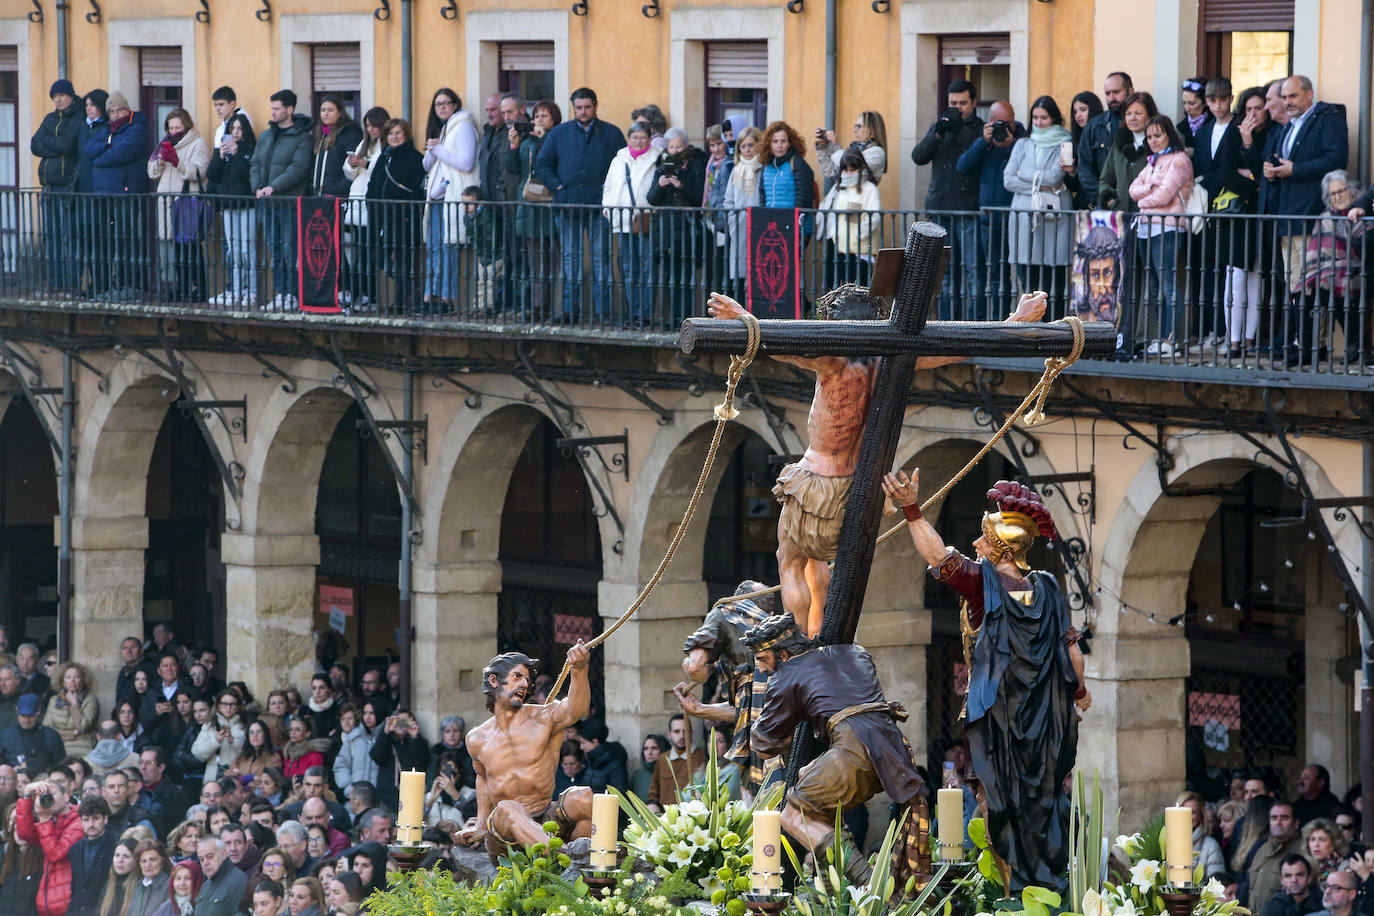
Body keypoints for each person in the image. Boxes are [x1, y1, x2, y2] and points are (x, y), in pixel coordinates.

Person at [705, 286, 1045, 633]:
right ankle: (819, 631)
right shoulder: (894, 358)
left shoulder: (831, 361)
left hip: (817, 481)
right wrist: (1014, 320)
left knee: (789, 558)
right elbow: (959, 346)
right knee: (818, 560)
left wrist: (743, 318)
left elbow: (779, 346)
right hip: (859, 488)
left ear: (834, 327)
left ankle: (798, 641)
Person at [882, 473, 1085, 892]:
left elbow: (938, 555)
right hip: (1044, 723)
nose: (976, 545)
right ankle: (1043, 884)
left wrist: (911, 509)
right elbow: (1073, 655)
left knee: (996, 802)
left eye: (984, 539)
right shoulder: (1048, 589)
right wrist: (1080, 695)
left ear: (1003, 548)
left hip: (999, 721)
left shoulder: (983, 585)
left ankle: (1008, 889)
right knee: (1039, 805)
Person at [744, 613, 927, 888]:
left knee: (792, 816)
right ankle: (829, 891)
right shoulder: (856, 652)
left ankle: (874, 889)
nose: (762, 668)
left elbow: (763, 742)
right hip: (892, 749)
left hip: (853, 750)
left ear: (782, 653)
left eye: (762, 659)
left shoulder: (785, 676)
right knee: (809, 780)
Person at [453, 645, 594, 861]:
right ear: (494, 681)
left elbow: (577, 709)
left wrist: (580, 669)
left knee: (583, 797)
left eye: (526, 679)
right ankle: (563, 859)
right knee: (509, 808)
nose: (524, 684)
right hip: (505, 834)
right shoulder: (476, 738)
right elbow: (483, 778)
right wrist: (481, 825)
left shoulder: (544, 718)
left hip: (545, 817)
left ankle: (579, 863)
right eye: (517, 676)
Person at [1260, 76, 1349, 367]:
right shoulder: (1288, 125)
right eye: (1284, 97)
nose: (1288, 102)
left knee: (1312, 285)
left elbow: (1337, 159)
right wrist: (1272, 169)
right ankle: (1306, 342)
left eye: (1293, 96)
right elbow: (1284, 162)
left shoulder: (1327, 118)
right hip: (1288, 215)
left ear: (1309, 94)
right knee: (1296, 285)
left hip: (1312, 214)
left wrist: (1294, 169)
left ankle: (1315, 345)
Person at [533, 87, 626, 324]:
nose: (583, 112)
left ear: (595, 105)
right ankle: (568, 312)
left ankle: (603, 314)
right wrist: (557, 186)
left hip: (600, 208)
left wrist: (608, 191)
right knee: (570, 261)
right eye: (578, 108)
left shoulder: (611, 133)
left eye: (587, 107)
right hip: (566, 206)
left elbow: (622, 168)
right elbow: (542, 164)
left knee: (601, 261)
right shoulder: (559, 133)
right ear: (573, 108)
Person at [1197, 80, 1266, 357]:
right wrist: (1254, 183)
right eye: (1249, 109)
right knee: (1235, 274)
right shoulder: (1234, 133)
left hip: (1258, 213)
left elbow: (1262, 171)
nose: (1253, 114)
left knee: (1256, 276)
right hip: (1233, 214)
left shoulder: (1268, 133)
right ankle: (1234, 339)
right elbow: (1226, 172)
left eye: (1258, 108)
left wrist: (1253, 176)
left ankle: (1248, 339)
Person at [911, 79, 983, 318]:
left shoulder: (979, 129)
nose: (958, 108)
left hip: (967, 211)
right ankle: (947, 324)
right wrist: (939, 132)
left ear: (974, 103)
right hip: (940, 210)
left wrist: (958, 127)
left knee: (973, 272)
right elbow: (918, 156)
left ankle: (975, 328)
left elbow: (973, 156)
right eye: (953, 103)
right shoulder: (939, 127)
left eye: (963, 103)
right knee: (946, 273)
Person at [1129, 115, 1194, 357]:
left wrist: (1144, 201)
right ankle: (1160, 337)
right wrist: (1149, 189)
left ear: (1169, 135)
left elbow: (1166, 194)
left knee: (1168, 284)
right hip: (1147, 227)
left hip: (1167, 227)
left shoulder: (1179, 160)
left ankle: (1171, 340)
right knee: (1155, 285)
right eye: (1150, 137)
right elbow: (1132, 188)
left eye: (1158, 135)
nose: (1153, 141)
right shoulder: (1153, 161)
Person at [1004, 95, 1074, 314]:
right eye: (1035, 117)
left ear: (1054, 119)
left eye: (1044, 117)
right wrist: (1039, 186)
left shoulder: (1065, 142)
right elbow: (1008, 180)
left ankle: (1056, 324)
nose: (1039, 122)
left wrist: (1023, 174)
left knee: (1054, 271)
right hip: (1025, 215)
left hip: (1054, 215)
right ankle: (1032, 321)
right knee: (1029, 274)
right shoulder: (1022, 143)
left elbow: (1055, 178)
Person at [957, 99, 1023, 318]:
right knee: (993, 273)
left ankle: (1007, 320)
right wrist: (983, 142)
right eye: (999, 123)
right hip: (988, 220)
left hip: (1014, 218)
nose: (1005, 127)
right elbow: (962, 167)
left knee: (1017, 272)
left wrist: (1011, 145)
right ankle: (992, 323)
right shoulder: (985, 142)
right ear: (990, 122)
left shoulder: (1022, 140)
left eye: (1009, 121)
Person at [251, 89, 314, 311]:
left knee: (291, 251)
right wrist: (258, 187)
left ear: (290, 110)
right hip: (267, 203)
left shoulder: (302, 137)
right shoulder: (267, 136)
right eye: (272, 108)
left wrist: (274, 187)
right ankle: (281, 292)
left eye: (277, 108)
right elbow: (256, 164)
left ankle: (294, 295)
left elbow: (298, 169)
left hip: (290, 204)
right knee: (274, 251)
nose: (273, 112)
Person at [87, 90, 151, 303]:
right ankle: (111, 286)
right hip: (104, 195)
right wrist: (106, 146)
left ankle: (131, 286)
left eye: (119, 110)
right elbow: (87, 148)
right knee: (107, 242)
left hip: (126, 193)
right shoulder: (105, 130)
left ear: (127, 109)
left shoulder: (137, 128)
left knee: (127, 240)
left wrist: (99, 158)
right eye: (111, 111)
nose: (115, 115)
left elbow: (122, 152)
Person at [420, 88, 479, 313]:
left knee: (448, 249)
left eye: (446, 103)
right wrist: (432, 151)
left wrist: (439, 149)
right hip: (437, 200)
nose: (442, 107)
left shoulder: (463, 126)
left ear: (455, 104)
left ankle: (445, 298)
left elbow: (466, 162)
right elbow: (428, 166)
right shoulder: (445, 130)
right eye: (438, 104)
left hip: (453, 198)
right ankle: (429, 295)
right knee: (434, 248)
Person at [146, 107, 209, 302]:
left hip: (187, 202)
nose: (174, 131)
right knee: (174, 249)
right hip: (167, 201)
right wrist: (161, 161)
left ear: (186, 125)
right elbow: (151, 172)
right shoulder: (163, 144)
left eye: (177, 127)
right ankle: (180, 287)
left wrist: (177, 161)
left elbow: (198, 173)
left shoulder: (198, 143)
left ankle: (199, 289)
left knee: (190, 247)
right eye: (171, 127)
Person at [505, 99, 561, 321]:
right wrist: (514, 146)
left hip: (549, 204)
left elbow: (547, 164)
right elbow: (513, 168)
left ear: (554, 119)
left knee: (553, 261)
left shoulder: (555, 139)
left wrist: (543, 139)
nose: (538, 119)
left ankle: (553, 306)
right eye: (536, 115)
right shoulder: (528, 141)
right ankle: (538, 306)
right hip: (529, 203)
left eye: (544, 116)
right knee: (535, 261)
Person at [601, 121, 661, 326]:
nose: (638, 141)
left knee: (646, 268)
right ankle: (633, 314)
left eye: (642, 137)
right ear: (629, 138)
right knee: (628, 269)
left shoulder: (657, 158)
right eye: (634, 137)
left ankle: (645, 315)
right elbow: (608, 187)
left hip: (644, 220)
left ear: (649, 139)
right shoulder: (619, 159)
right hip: (622, 221)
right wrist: (608, 210)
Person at [646, 126, 707, 324]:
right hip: (665, 231)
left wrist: (681, 185)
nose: (674, 150)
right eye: (671, 146)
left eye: (678, 146)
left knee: (685, 278)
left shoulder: (697, 163)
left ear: (686, 146)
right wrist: (660, 185)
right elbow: (652, 199)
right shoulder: (662, 164)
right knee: (669, 278)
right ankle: (671, 319)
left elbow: (699, 198)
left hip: (688, 231)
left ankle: (685, 318)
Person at [364, 117, 425, 313]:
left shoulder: (415, 157)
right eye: (390, 133)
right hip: (381, 216)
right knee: (375, 251)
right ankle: (409, 289)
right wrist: (370, 201)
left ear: (405, 135)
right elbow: (374, 183)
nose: (394, 137)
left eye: (398, 133)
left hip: (404, 216)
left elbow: (417, 188)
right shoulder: (384, 156)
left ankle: (400, 302)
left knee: (403, 259)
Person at [31, 78, 85, 292]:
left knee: (69, 236)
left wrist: (51, 144)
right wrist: (56, 147)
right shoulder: (50, 118)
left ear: (71, 96)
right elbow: (34, 144)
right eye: (54, 96)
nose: (58, 100)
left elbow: (68, 145)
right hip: (48, 187)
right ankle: (55, 282)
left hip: (66, 187)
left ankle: (72, 282)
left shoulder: (79, 117)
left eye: (61, 95)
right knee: (51, 236)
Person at [340, 106, 389, 312]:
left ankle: (371, 295)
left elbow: (382, 169)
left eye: (374, 126)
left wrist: (366, 164)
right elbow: (348, 172)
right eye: (367, 126)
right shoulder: (365, 143)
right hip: (356, 202)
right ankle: (358, 293)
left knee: (368, 256)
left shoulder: (385, 145)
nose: (371, 130)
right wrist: (353, 164)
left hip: (370, 207)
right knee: (354, 254)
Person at [206, 113, 257, 307]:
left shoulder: (250, 150)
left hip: (246, 205)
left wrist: (236, 155)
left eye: (239, 129)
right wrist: (219, 156)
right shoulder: (224, 150)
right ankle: (235, 289)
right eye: (233, 128)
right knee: (234, 251)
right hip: (228, 205)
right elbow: (212, 175)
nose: (235, 132)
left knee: (248, 249)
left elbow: (246, 175)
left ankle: (251, 290)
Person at [16, 776, 84, 916]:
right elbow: (25, 833)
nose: (47, 799)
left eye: (52, 794)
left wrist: (44, 819)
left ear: (66, 797)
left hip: (68, 906)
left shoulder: (79, 821)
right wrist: (27, 795)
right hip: (46, 906)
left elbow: (56, 854)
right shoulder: (51, 823)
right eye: (42, 796)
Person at [815, 150, 882, 290]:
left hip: (861, 248)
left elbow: (874, 217)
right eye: (846, 169)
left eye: (853, 169)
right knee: (839, 288)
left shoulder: (870, 189)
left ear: (861, 168)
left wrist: (858, 235)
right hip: (840, 245)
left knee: (859, 288)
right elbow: (836, 215)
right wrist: (834, 234)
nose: (849, 172)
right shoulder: (841, 188)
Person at [74, 88, 110, 297]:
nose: (89, 109)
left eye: (93, 105)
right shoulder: (83, 128)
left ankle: (101, 283)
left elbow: (90, 151)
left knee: (100, 240)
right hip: (84, 189)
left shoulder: (104, 128)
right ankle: (89, 283)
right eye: (87, 105)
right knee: (86, 240)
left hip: (98, 189)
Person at [1078, 71, 1133, 203]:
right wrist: (1103, 196)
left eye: (1116, 92)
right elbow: (1084, 166)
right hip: (1103, 203)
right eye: (1107, 94)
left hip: (1137, 203)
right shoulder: (1094, 125)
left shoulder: (1145, 122)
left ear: (1130, 91)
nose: (1111, 98)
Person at [721, 126, 763, 297]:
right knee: (740, 272)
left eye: (751, 145)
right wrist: (732, 221)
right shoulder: (735, 170)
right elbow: (728, 200)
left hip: (758, 226)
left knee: (757, 272)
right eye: (743, 146)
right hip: (738, 228)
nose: (747, 150)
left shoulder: (762, 168)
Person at [1247, 802, 1307, 909]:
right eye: (1274, 818)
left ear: (1296, 823)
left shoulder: (1304, 850)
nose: (1278, 822)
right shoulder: (1262, 849)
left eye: (1284, 818)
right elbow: (1249, 888)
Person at [368, 707, 428, 811]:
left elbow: (419, 763)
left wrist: (414, 737)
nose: (401, 724)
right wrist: (386, 732)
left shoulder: (418, 741)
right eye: (398, 721)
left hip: (410, 793)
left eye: (405, 721)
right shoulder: (386, 739)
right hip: (387, 795)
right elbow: (376, 756)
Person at [68, 795, 116, 916]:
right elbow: (75, 890)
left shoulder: (115, 847)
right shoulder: (75, 850)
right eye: (86, 819)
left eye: (96, 818)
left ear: (105, 819)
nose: (91, 824)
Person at [646, 713, 703, 813]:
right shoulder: (663, 759)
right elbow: (653, 793)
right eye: (676, 731)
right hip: (665, 818)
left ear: (691, 733)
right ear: (669, 734)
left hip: (690, 818)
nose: (681, 736)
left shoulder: (700, 757)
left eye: (685, 731)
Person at [0, 694, 66, 778]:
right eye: (23, 716)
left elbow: (61, 767)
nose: (26, 720)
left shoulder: (51, 736)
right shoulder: (4, 736)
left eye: (30, 716)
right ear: (17, 710)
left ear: (38, 711)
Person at [815, 110, 888, 185]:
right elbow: (829, 171)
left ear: (872, 131)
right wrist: (823, 147)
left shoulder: (878, 153)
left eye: (859, 126)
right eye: (855, 126)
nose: (854, 130)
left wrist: (836, 145)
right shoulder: (853, 148)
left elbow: (850, 168)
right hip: (841, 195)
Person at [41, 663, 98, 758]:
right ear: (63, 682)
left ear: (82, 681)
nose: (72, 681)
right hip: (57, 748)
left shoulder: (90, 700)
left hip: (82, 750)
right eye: (68, 677)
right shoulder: (54, 700)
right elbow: (47, 730)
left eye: (76, 677)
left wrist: (74, 704)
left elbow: (82, 727)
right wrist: (72, 734)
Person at [333, 700, 384, 803]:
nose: (368, 717)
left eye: (371, 713)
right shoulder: (353, 738)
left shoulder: (386, 738)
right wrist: (349, 788)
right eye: (365, 713)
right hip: (356, 799)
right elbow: (340, 766)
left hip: (380, 799)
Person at [0, 800, 45, 916]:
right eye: (16, 830)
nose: (19, 834)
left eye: (23, 830)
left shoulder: (41, 859)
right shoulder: (6, 857)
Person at [140, 652, 191, 752]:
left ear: (178, 668)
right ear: (159, 670)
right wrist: (156, 713)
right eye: (165, 666)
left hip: (180, 743)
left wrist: (175, 710)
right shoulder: (151, 692)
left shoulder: (187, 688)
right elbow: (143, 721)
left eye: (173, 665)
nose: (169, 669)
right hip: (156, 745)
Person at [192, 690, 245, 785]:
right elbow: (197, 752)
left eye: (232, 704)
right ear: (219, 705)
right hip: (214, 775)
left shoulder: (244, 726)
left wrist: (233, 741)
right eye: (225, 704)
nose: (228, 708)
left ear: (238, 706)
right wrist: (215, 741)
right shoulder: (209, 725)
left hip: (238, 775)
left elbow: (250, 752)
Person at [138, 747, 191, 837]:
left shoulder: (176, 796)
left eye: (148, 763)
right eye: (141, 762)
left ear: (161, 768)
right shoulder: (135, 792)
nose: (143, 767)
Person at [1179, 790, 1228, 879]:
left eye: (1193, 812)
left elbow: (1216, 883)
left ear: (1200, 815)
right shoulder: (1167, 842)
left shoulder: (1211, 845)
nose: (1188, 815)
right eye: (1184, 811)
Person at [574, 719, 629, 794]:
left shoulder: (616, 764)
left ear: (595, 742)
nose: (581, 747)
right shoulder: (589, 760)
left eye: (583, 743)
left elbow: (619, 794)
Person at [101, 768, 154, 836]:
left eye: (121, 786)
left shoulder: (139, 818)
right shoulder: (96, 818)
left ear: (127, 790)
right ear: (103, 791)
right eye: (111, 787)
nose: (116, 790)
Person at [125, 839, 171, 916]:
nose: (148, 865)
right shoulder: (138, 886)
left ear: (162, 862)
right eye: (143, 861)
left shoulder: (169, 886)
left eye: (152, 860)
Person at [94, 837, 139, 916]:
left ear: (136, 860)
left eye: (126, 856)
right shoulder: (108, 884)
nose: (120, 860)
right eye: (117, 855)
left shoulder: (139, 886)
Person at [1178, 77, 1213, 150]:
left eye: (1192, 103)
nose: (1187, 108)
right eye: (1184, 103)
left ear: (1205, 102)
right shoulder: (1182, 127)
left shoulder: (1215, 124)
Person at [630, 734, 666, 802]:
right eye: (646, 749)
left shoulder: (669, 772)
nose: (649, 753)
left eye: (654, 748)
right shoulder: (638, 775)